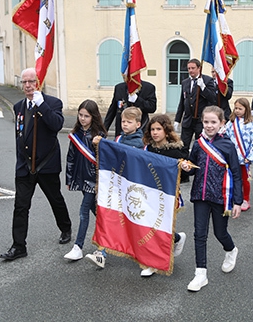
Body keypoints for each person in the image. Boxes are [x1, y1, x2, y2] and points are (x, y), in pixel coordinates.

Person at [0, 67, 72, 261]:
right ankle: (19, 246)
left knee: (55, 199)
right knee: (20, 207)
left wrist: (41, 105)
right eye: (24, 82)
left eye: (31, 81)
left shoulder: (52, 103)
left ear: (38, 82)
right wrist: (19, 163)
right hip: (25, 167)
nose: (28, 85)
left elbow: (56, 125)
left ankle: (65, 227)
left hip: (45, 165)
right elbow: (20, 136)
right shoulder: (18, 107)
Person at [181, 106, 243, 292]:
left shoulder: (228, 145)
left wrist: (237, 201)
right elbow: (193, 167)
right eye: (206, 122)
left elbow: (236, 174)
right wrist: (187, 167)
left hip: (220, 196)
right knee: (199, 234)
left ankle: (231, 250)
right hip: (200, 194)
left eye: (213, 122)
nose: (209, 126)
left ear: (222, 123)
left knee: (220, 233)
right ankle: (201, 273)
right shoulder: (199, 144)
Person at [85, 107, 145, 268]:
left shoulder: (142, 144)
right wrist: (101, 145)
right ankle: (101, 253)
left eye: (129, 122)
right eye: (123, 121)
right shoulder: (118, 139)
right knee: (109, 217)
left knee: (139, 224)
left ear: (138, 124)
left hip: (134, 191)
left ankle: (173, 239)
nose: (124, 124)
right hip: (118, 188)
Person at [140, 114, 188, 276]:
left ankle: (154, 262)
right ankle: (175, 240)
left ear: (166, 131)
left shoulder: (176, 151)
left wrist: (186, 167)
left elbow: (187, 172)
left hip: (167, 195)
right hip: (148, 193)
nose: (155, 132)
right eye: (152, 129)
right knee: (152, 226)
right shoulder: (147, 149)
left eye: (158, 129)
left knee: (159, 226)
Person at [63, 100, 107, 261]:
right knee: (96, 212)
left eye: (86, 116)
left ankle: (78, 246)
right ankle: (109, 239)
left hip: (93, 180)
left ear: (93, 116)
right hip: (81, 178)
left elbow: (103, 159)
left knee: (83, 211)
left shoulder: (99, 136)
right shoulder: (76, 133)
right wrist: (69, 178)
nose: (82, 119)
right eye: (80, 115)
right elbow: (71, 158)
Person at [225, 98, 253, 211]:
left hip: (244, 157)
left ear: (246, 109)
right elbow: (225, 136)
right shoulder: (230, 123)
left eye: (240, 108)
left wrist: (250, 157)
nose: (237, 111)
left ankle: (245, 198)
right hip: (232, 157)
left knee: (245, 180)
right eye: (236, 108)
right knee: (232, 178)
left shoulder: (251, 124)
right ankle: (234, 197)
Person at [174, 58, 217, 153]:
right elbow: (182, 102)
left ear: (199, 68)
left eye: (193, 68)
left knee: (200, 147)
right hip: (188, 120)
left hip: (201, 120)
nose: (190, 70)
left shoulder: (207, 80)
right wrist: (177, 119)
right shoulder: (185, 82)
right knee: (183, 147)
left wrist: (203, 88)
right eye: (189, 68)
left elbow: (212, 98)